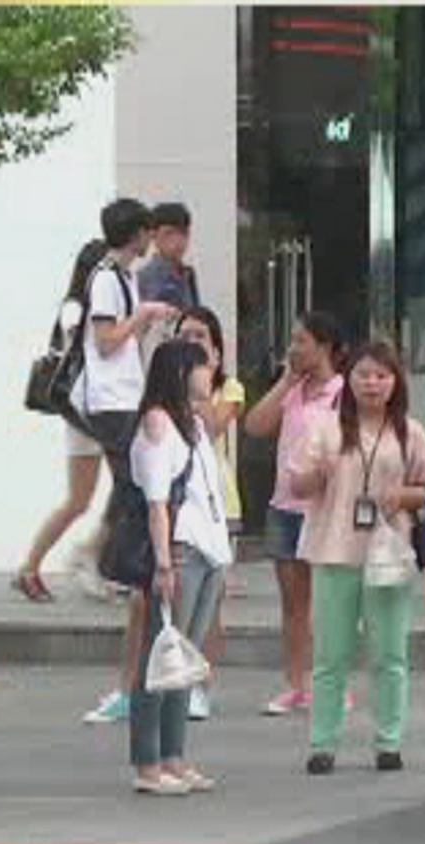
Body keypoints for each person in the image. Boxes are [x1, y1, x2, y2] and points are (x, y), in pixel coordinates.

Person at [285, 340, 425, 774]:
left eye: (381, 375)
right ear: (348, 379)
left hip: (389, 555)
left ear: (395, 381)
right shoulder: (325, 427)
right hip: (334, 550)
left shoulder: (409, 431)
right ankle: (323, 743)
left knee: (390, 654)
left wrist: (402, 496)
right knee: (330, 655)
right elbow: (296, 485)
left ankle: (389, 741)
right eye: (363, 374)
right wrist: (317, 473)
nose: (372, 383)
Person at [72, 199, 179, 726]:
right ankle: (109, 558)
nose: (150, 240)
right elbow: (107, 339)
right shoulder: (106, 280)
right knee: (132, 485)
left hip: (126, 394)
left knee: (136, 483)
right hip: (110, 399)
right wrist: (144, 316)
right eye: (147, 232)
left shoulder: (125, 277)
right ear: (135, 233)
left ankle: (114, 556)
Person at [124, 339, 230, 795]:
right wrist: (164, 562)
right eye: (202, 367)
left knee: (184, 660)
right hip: (181, 550)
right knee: (160, 655)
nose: (210, 375)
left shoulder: (195, 425)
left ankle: (174, 755)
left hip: (209, 549)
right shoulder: (159, 424)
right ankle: (148, 762)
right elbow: (157, 502)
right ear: (182, 372)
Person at [244, 311, 346, 717]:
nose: (293, 349)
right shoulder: (292, 389)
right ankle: (296, 683)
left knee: (327, 602)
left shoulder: (343, 392)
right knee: (292, 604)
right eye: (293, 340)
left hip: (324, 509)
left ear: (324, 347)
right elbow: (255, 425)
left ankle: (330, 682)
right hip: (285, 505)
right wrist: (286, 382)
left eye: (302, 341)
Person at [14, 239, 112, 605]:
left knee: (121, 490)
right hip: (82, 414)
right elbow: (80, 353)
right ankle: (33, 566)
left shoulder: (91, 305)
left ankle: (92, 556)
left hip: (99, 409)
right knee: (79, 500)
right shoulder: (76, 308)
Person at [174, 307, 239, 722]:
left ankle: (200, 684)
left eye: (200, 336)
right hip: (182, 507)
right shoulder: (166, 388)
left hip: (219, 503)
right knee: (181, 602)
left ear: (216, 349)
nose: (192, 343)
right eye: (185, 335)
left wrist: (199, 386)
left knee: (211, 605)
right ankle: (175, 681)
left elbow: (213, 427)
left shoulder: (228, 388)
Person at [137, 202, 201, 311]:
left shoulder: (188, 274)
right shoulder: (146, 278)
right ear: (153, 236)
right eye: (169, 233)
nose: (177, 241)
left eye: (183, 233)